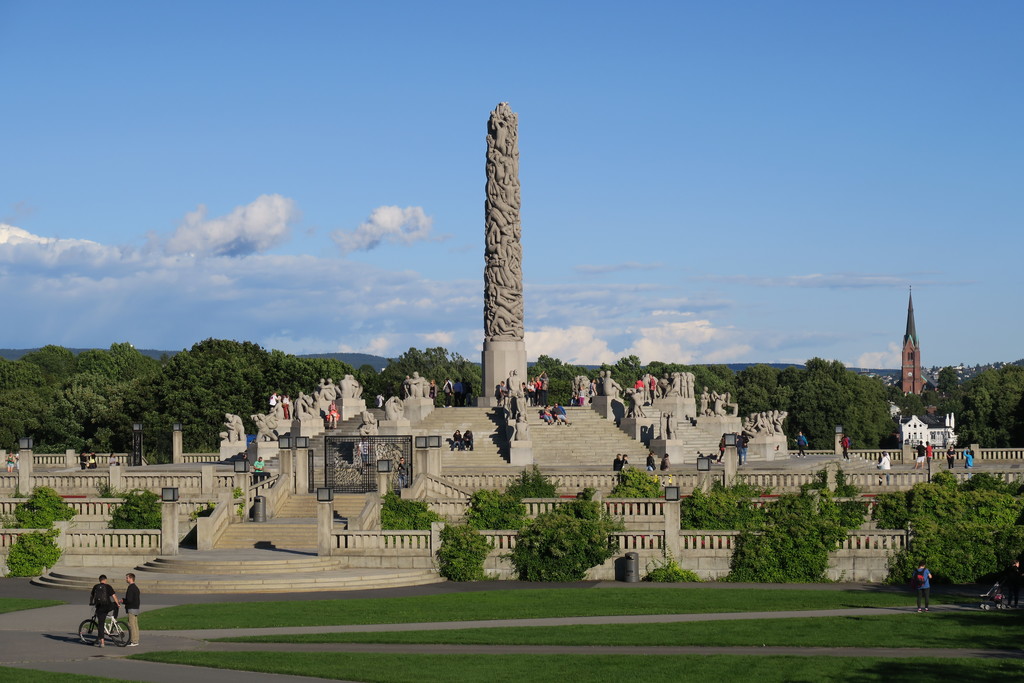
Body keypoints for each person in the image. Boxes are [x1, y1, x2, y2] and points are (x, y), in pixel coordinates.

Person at [89, 574, 121, 647]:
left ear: (99, 580)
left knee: (101, 624)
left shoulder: (95, 587)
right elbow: (114, 596)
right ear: (105, 580)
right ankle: (114, 620)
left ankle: (102, 643)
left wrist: (91, 602)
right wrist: (118, 604)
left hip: (100, 607)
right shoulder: (108, 586)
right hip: (108, 606)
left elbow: (92, 596)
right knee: (116, 605)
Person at [123, 573, 141, 646]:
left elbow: (129, 600)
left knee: (131, 625)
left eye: (127, 578)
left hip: (131, 608)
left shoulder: (130, 588)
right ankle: (136, 640)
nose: (126, 579)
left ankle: (133, 641)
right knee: (135, 625)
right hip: (136, 608)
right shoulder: (136, 587)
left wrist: (123, 601)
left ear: (131, 578)